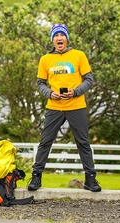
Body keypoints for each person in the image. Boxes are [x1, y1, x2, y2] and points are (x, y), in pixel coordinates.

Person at [27, 23, 101, 192]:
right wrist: (50, 94)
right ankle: (36, 178)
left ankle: (91, 180)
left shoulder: (79, 55)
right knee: (45, 142)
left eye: (62, 35)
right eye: (56, 36)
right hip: (54, 107)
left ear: (66, 38)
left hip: (76, 106)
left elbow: (89, 80)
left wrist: (75, 92)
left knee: (83, 143)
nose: (59, 38)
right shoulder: (45, 59)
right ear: (52, 39)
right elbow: (40, 83)